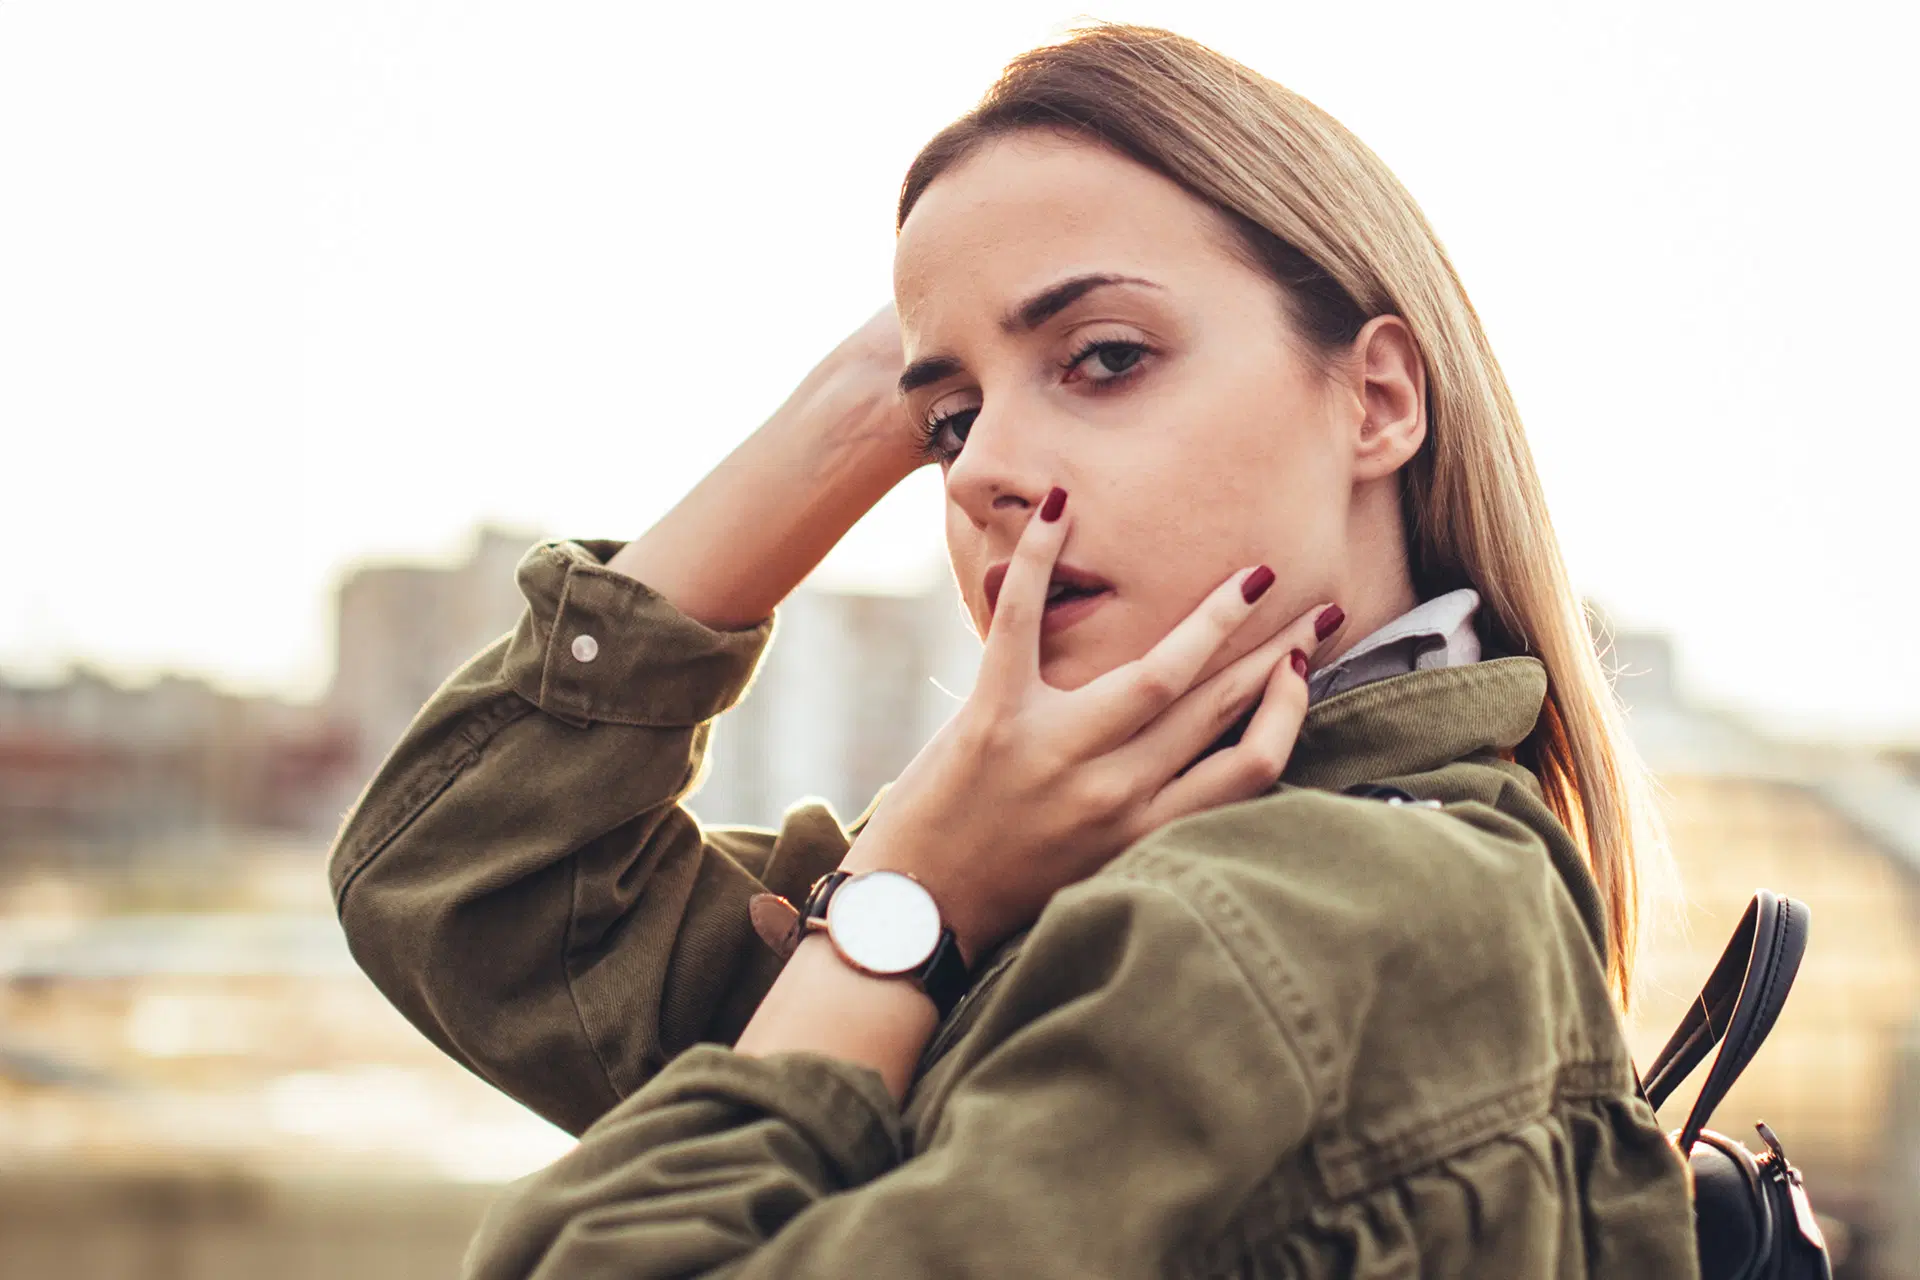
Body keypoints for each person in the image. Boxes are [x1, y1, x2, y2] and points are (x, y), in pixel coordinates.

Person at [327, 22, 1697, 1278]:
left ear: (1378, 399)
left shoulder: (1296, 924)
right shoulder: (1076, 877)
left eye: (1105, 357)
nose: (982, 471)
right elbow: (468, 881)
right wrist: (877, 383)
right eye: (948, 423)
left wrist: (898, 915)